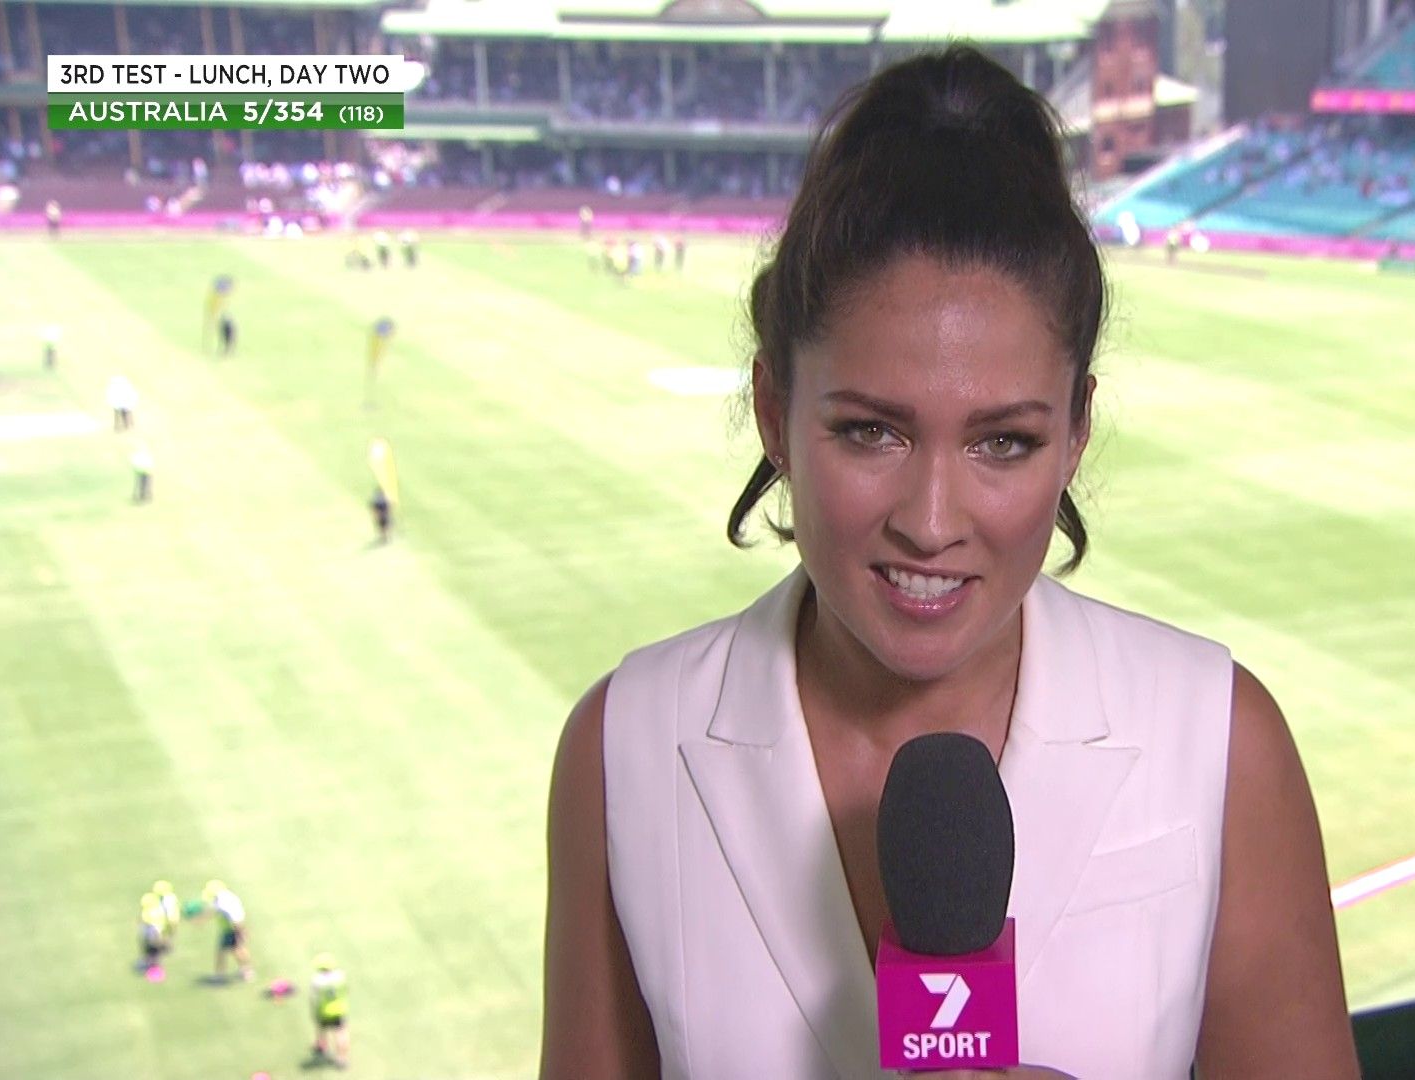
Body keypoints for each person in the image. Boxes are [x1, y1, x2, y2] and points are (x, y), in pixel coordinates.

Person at [540, 46, 1358, 1080]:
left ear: (1076, 432)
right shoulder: (623, 746)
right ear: (775, 413)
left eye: (1003, 442)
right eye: (872, 432)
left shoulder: (1221, 739)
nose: (931, 523)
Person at [202, 879, 254, 981]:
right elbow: (214, 909)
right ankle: (245, 970)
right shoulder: (224, 897)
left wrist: (240, 931)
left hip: (231, 929)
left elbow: (234, 917)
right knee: (236, 950)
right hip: (231, 928)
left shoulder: (223, 902)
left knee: (233, 950)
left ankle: (221, 975)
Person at [309, 953, 351, 1068]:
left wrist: (313, 1010)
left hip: (324, 1010)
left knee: (321, 1029)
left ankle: (321, 1047)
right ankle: (342, 1059)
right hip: (339, 1010)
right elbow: (346, 990)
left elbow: (313, 997)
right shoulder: (340, 976)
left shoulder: (317, 980)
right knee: (341, 1033)